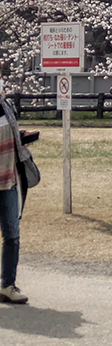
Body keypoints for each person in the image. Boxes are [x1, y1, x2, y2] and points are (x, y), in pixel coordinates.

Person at [0, 89, 35, 304]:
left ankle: (7, 285)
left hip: (8, 179)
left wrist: (21, 138)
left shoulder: (6, 105)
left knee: (12, 234)